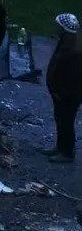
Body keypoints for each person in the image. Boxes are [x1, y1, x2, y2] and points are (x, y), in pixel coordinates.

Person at [45, 12, 82, 163]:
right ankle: (60, 147)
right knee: (60, 120)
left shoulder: (73, 50)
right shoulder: (67, 41)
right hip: (60, 92)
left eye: (58, 25)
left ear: (63, 28)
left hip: (68, 95)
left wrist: (62, 93)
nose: (55, 27)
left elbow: (74, 78)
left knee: (66, 121)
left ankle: (67, 152)